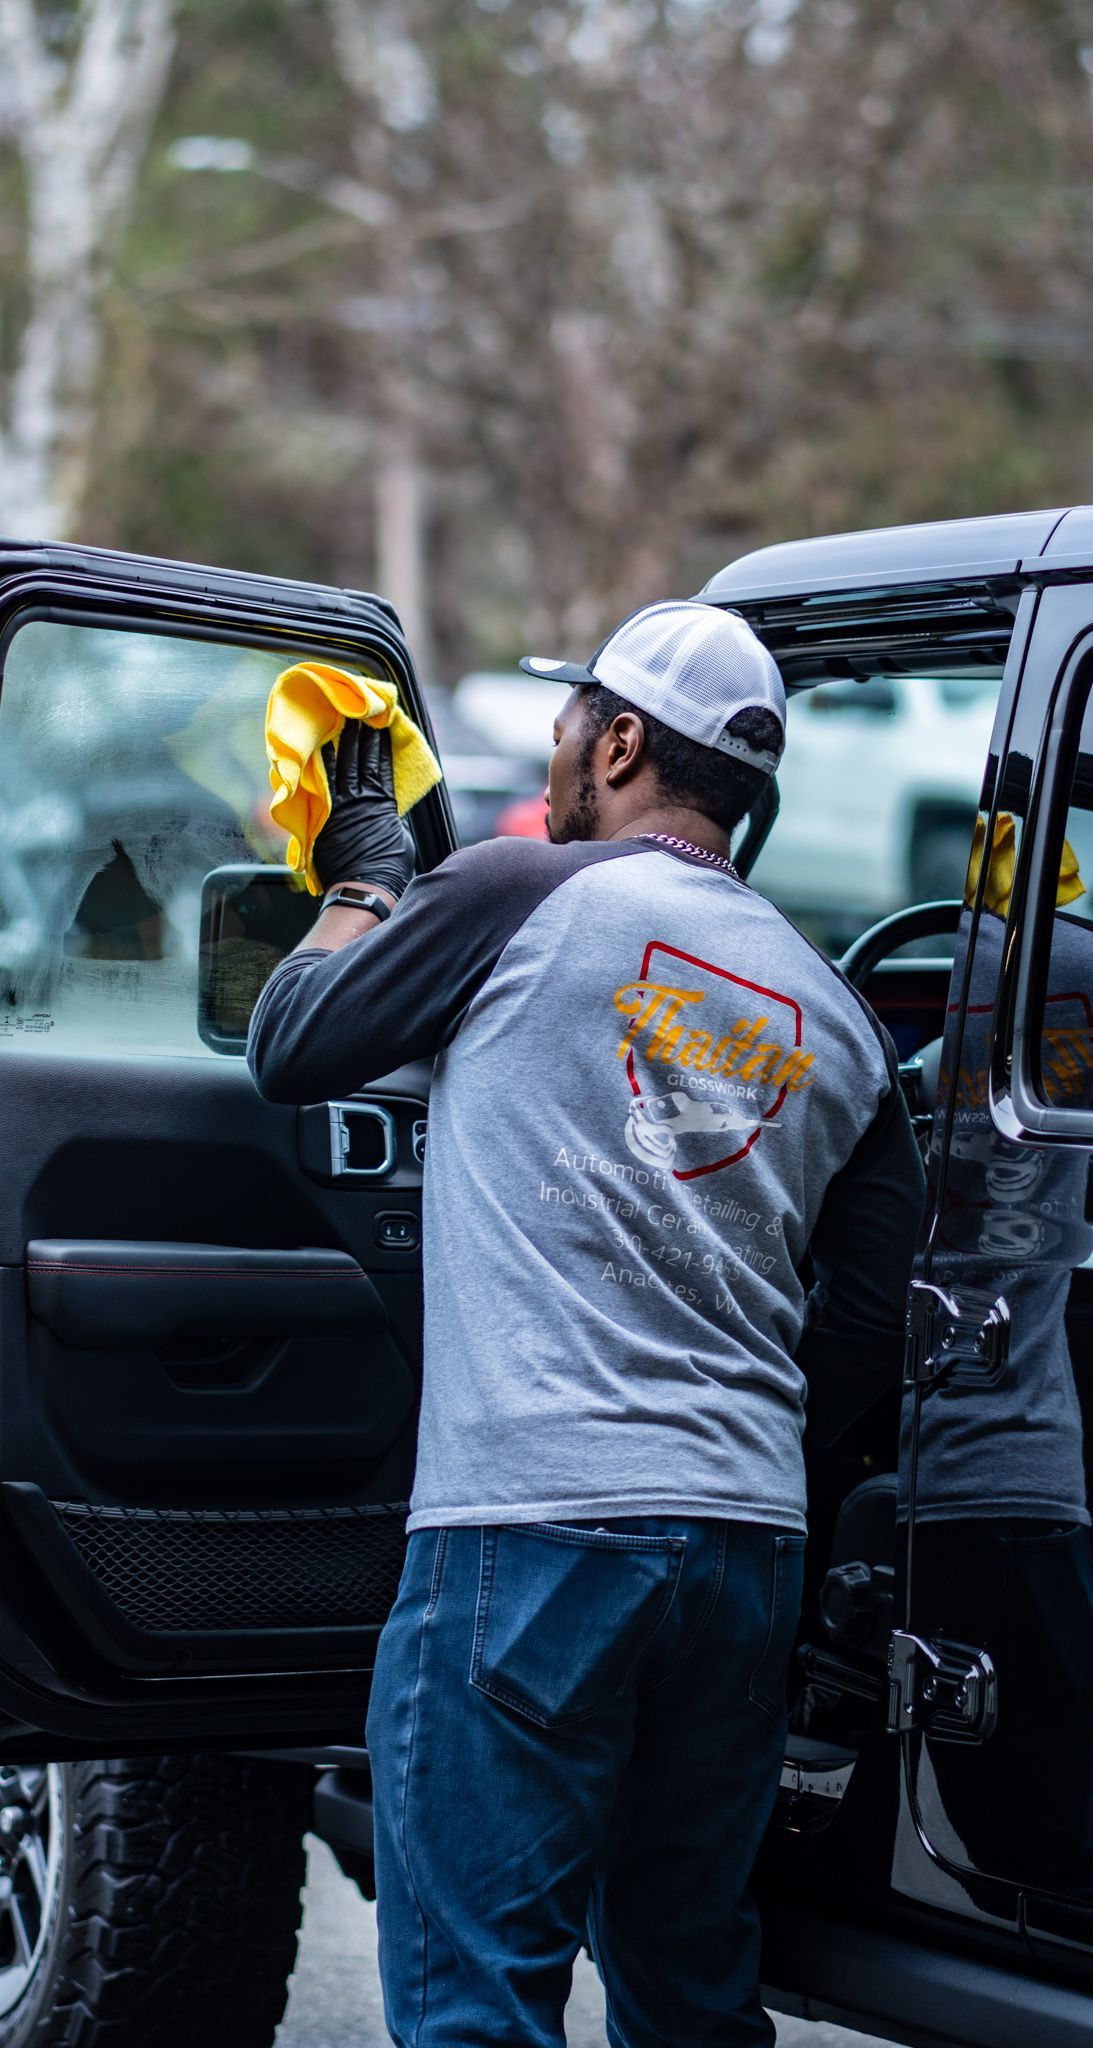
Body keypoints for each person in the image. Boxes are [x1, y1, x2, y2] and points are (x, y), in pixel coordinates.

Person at [248, 600, 925, 2048]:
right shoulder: (839, 1015)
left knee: (476, 1995)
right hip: (743, 1550)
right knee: (687, 1989)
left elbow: (292, 1044)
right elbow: (869, 1319)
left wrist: (362, 881)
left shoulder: (516, 893)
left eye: (569, 720)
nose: (555, 748)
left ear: (618, 743)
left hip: (528, 1527)